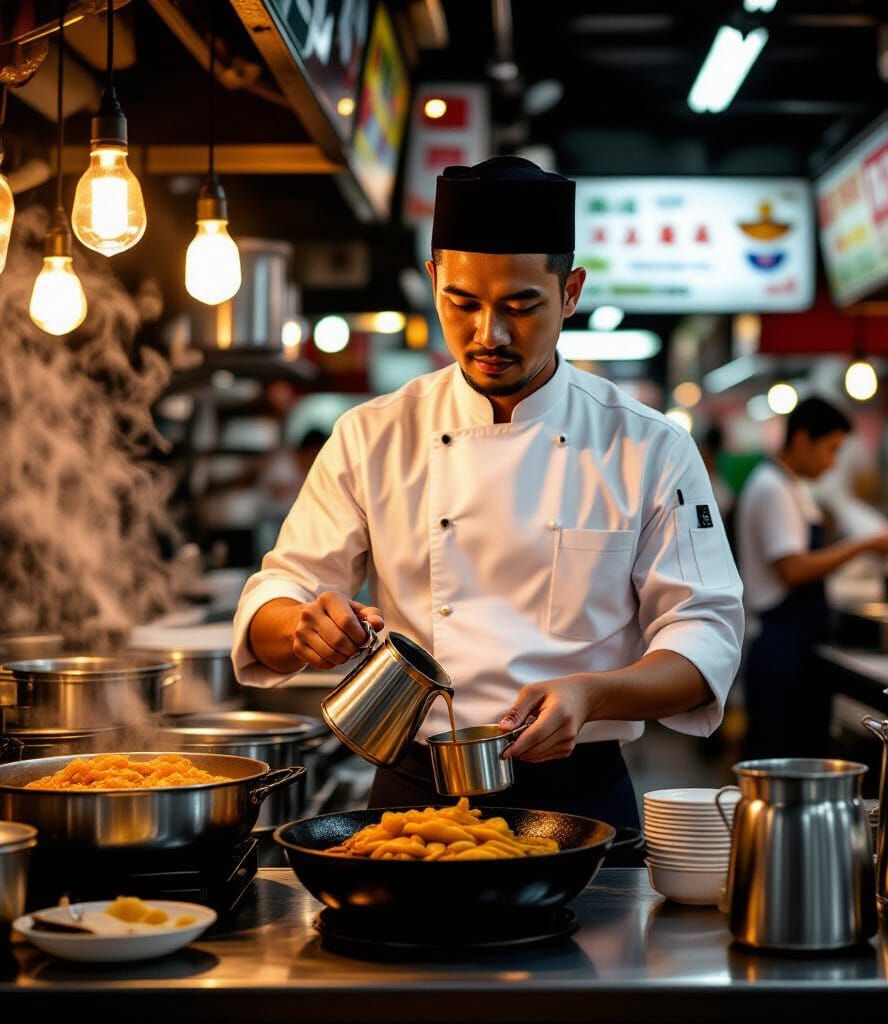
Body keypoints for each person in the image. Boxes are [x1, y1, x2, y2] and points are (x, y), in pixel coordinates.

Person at [231, 156, 743, 848]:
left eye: (520, 306)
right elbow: (276, 594)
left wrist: (594, 694)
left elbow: (705, 637)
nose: (488, 336)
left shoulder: (648, 446)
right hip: (414, 800)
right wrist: (302, 626)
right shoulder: (373, 434)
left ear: (570, 293)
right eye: (463, 303)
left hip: (582, 797)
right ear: (436, 278)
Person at [735, 397, 888, 759]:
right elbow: (794, 569)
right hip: (778, 647)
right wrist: (865, 544)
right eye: (830, 449)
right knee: (778, 762)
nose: (833, 462)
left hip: (796, 642)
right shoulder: (771, 488)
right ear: (801, 440)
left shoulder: (791, 487)